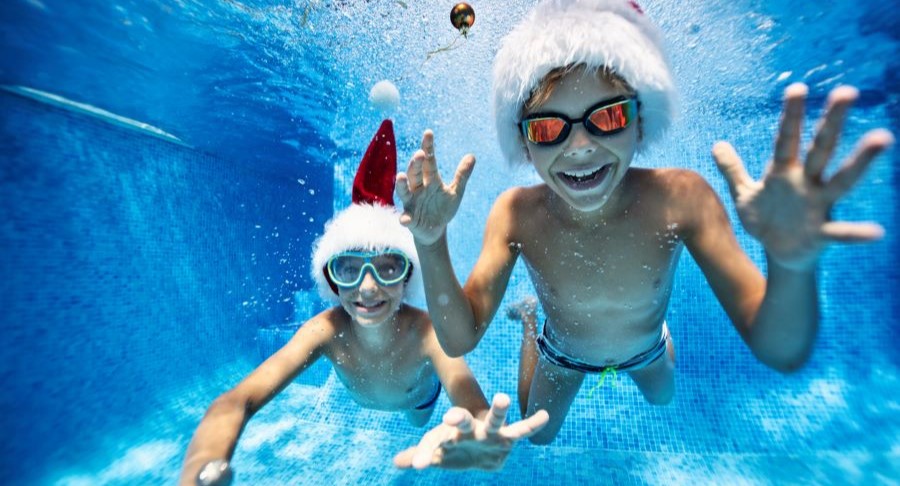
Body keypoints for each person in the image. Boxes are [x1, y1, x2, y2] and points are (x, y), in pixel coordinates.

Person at [395, 0, 894, 445]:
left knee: (662, 400)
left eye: (607, 117)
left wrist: (789, 264)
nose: (580, 146)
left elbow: (781, 350)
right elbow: (459, 338)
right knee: (541, 436)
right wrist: (431, 241)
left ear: (640, 120)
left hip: (645, 348)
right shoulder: (517, 212)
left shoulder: (680, 198)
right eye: (549, 128)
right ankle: (531, 322)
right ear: (525, 143)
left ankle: (653, 336)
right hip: (562, 353)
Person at [179, 120, 549, 485]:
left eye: (388, 269)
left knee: (418, 420)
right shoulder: (325, 330)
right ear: (330, 279)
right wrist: (202, 466)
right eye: (348, 269)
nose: (368, 288)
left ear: (406, 278)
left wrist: (482, 426)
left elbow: (470, 400)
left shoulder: (426, 332)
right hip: (384, 394)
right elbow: (236, 401)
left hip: (418, 401)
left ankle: (529, 318)